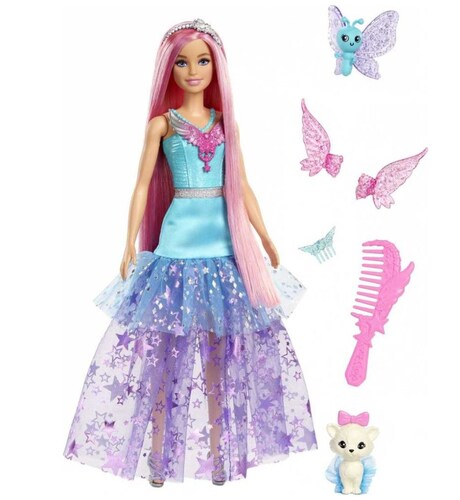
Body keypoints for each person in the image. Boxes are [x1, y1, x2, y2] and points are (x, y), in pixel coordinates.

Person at [63, 19, 317, 487]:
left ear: (216, 67)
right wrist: (128, 240)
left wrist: (264, 236)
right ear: (170, 69)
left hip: (224, 250)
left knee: (222, 362)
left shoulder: (226, 124)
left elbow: (242, 186)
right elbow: (142, 185)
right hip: (177, 248)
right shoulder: (162, 125)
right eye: (182, 62)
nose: (193, 70)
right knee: (165, 359)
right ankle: (159, 459)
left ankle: (221, 456)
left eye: (202, 61)